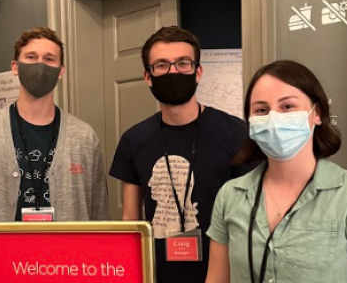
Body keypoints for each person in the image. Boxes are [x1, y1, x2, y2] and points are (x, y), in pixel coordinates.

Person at [205, 60, 347, 283]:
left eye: (287, 107)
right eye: (261, 110)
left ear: (316, 113)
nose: (273, 118)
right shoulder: (230, 196)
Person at [0, 26, 110, 282]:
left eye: (49, 59)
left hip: (69, 271)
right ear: (15, 66)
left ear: (61, 72)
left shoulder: (84, 138)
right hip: (2, 272)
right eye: (31, 57)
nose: (40, 65)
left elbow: (99, 215)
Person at [109, 26, 255, 283]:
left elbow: (249, 218)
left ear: (198, 71)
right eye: (162, 65)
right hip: (156, 273)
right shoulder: (134, 140)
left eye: (183, 63)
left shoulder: (235, 133)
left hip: (222, 273)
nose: (173, 71)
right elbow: (131, 220)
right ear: (148, 76)